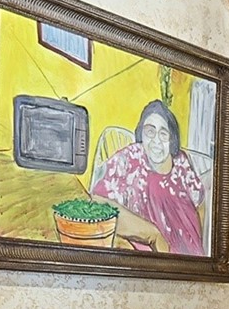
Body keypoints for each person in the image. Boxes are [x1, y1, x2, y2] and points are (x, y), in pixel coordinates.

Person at [88, 99, 206, 255]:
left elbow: (200, 202)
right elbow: (98, 204)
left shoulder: (181, 161)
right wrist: (152, 234)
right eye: (150, 131)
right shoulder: (131, 157)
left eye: (163, 134)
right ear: (141, 134)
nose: (156, 141)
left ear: (172, 139)